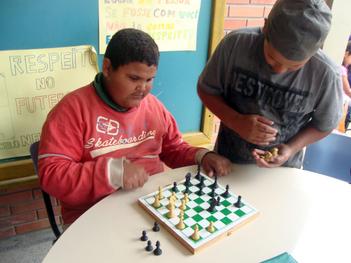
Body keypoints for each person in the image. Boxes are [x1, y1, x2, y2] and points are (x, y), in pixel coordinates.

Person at [38, 28, 232, 226]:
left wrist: (202, 156)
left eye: (149, 80)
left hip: (152, 203)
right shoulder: (70, 110)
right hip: (92, 216)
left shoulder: (153, 106)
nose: (143, 89)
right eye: (134, 79)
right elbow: (52, 174)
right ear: (107, 68)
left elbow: (174, 148)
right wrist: (113, 173)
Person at [197, 0, 343, 169]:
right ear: (265, 27)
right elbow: (206, 89)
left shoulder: (326, 74)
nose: (280, 71)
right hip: (229, 162)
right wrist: (235, 120)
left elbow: (325, 125)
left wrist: (291, 148)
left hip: (284, 169)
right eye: (272, 58)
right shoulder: (235, 45)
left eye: (295, 66)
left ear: (315, 52)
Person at [342, 40, 351, 130]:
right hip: (341, 103)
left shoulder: (345, 69)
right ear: (346, 53)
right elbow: (347, 90)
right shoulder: (342, 69)